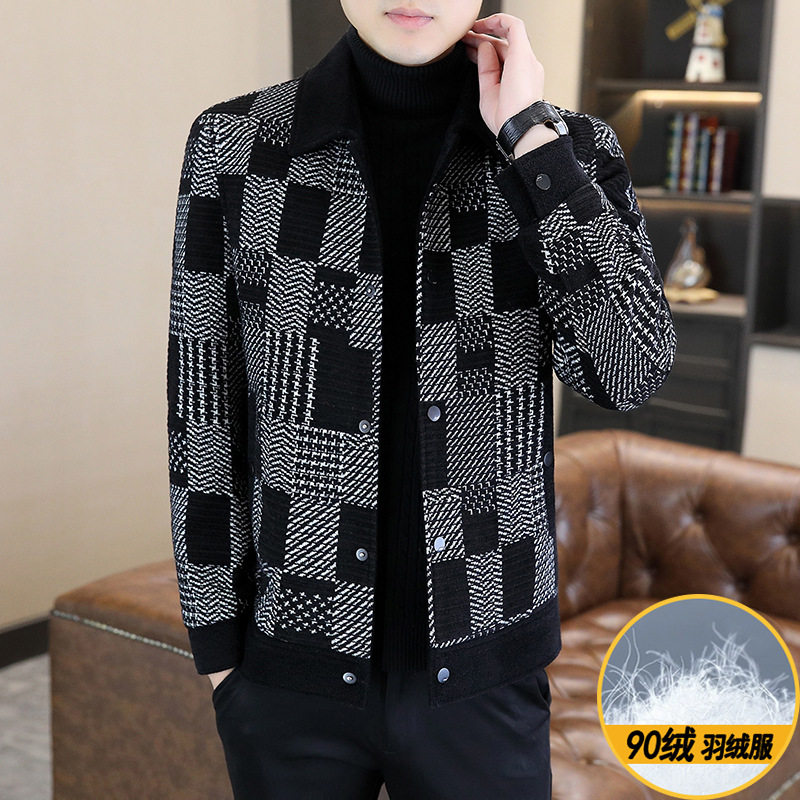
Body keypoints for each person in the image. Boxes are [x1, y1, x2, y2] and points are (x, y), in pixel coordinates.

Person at [166, 2, 676, 798]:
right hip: (286, 674)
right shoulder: (236, 145)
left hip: (485, 677)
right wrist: (219, 652)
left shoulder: (567, 152)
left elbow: (630, 369)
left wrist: (531, 146)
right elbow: (203, 409)